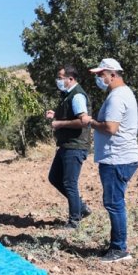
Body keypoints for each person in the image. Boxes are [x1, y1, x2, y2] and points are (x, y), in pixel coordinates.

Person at [80, 59, 138, 263]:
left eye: (100, 75)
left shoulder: (116, 98)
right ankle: (117, 245)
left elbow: (111, 128)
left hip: (117, 158)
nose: (98, 79)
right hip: (120, 157)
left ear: (112, 75)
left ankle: (119, 249)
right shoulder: (124, 94)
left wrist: (91, 122)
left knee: (114, 203)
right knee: (115, 202)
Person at [44, 65, 92, 229]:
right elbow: (71, 115)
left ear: (70, 79)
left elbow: (82, 122)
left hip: (75, 146)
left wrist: (59, 123)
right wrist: (55, 115)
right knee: (54, 178)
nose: (58, 81)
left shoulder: (77, 96)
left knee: (70, 183)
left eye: (60, 77)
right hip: (66, 144)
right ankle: (81, 207)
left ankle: (74, 221)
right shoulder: (68, 95)